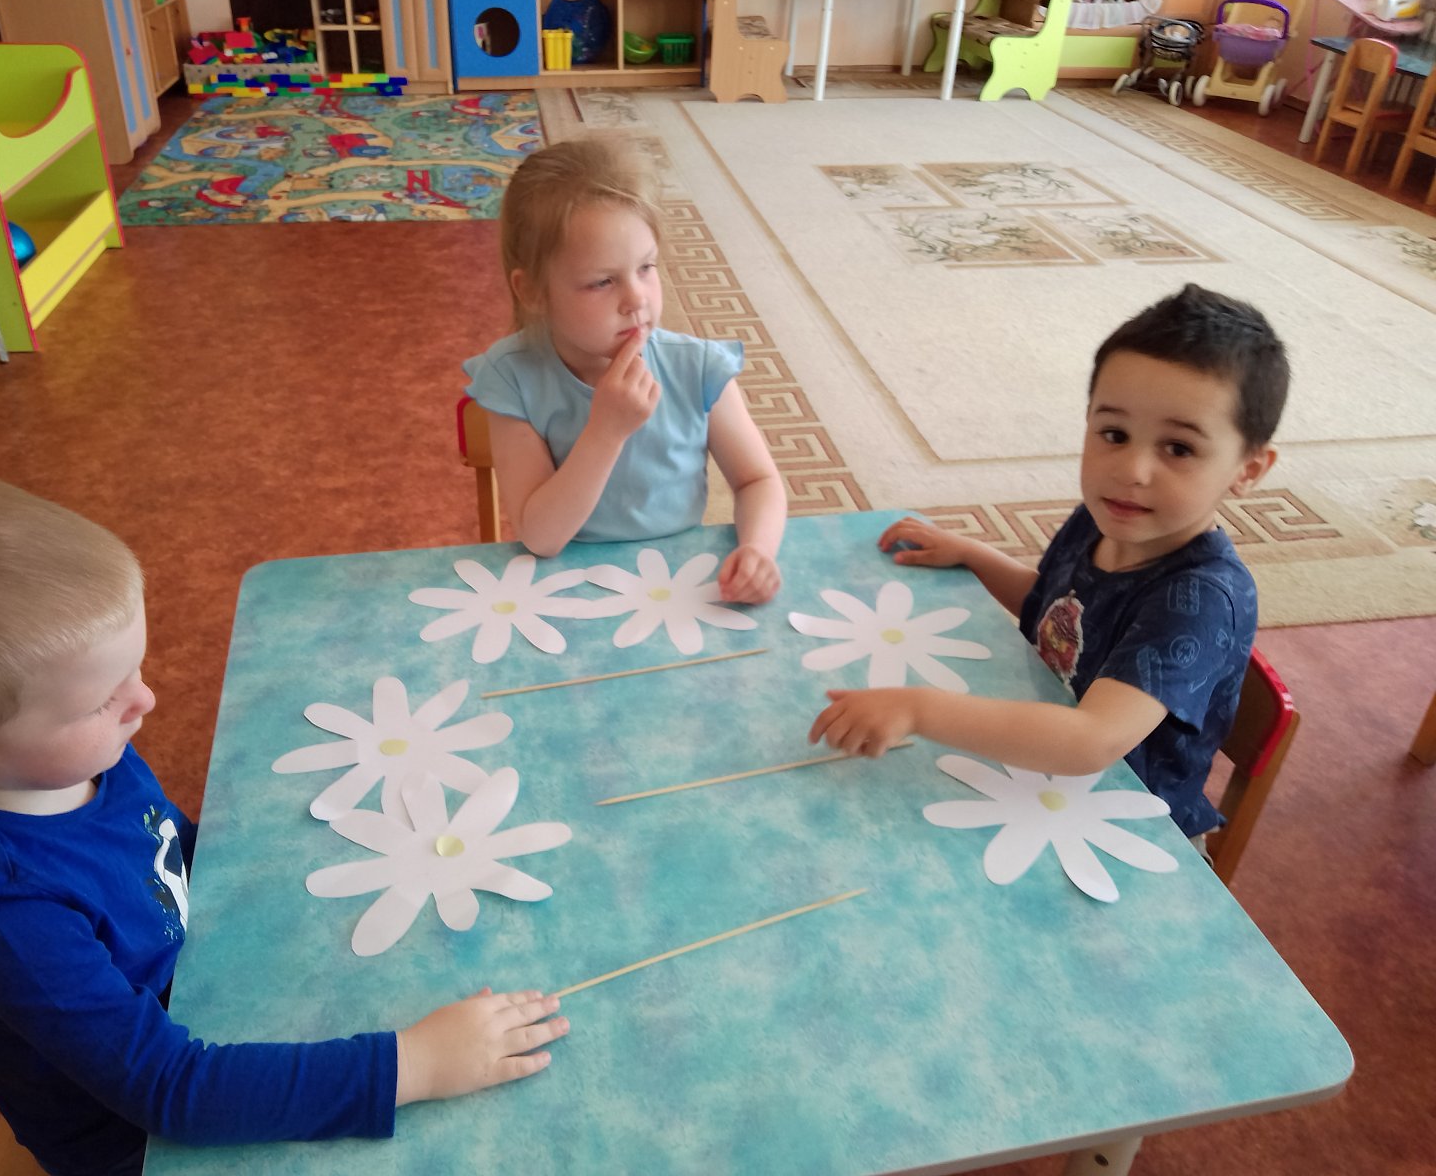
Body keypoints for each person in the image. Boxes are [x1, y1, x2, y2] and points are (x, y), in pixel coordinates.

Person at [0, 469, 568, 1176]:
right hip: (140, 1139)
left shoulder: (56, 761)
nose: (145, 701)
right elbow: (171, 1092)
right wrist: (418, 1064)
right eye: (101, 700)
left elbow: (166, 855)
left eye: (134, 669)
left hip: (211, 991)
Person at [809, 284, 1289, 843]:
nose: (1131, 470)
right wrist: (975, 555)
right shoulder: (1107, 517)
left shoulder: (1201, 601)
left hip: (1130, 826)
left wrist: (917, 708)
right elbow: (1057, 612)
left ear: (1248, 470)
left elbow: (1093, 740)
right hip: (1041, 766)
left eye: (1178, 448)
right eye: (1114, 434)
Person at [464, 137, 786, 603]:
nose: (636, 298)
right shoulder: (511, 378)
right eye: (602, 281)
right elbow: (541, 537)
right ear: (532, 291)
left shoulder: (697, 368)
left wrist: (757, 548)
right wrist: (606, 431)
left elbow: (758, 480)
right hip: (564, 591)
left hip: (678, 586)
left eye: (646, 267)